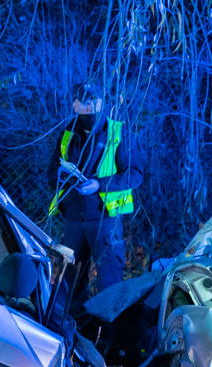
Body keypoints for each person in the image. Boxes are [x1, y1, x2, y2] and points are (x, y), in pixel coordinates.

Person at [48, 82, 143, 306]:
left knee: (110, 281)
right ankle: (68, 331)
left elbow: (135, 174)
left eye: (93, 99)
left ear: (102, 102)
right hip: (73, 219)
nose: (89, 105)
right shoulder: (66, 134)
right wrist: (66, 181)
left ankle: (110, 335)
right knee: (67, 283)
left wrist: (99, 185)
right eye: (84, 100)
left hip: (105, 219)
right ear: (75, 104)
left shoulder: (117, 132)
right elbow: (52, 173)